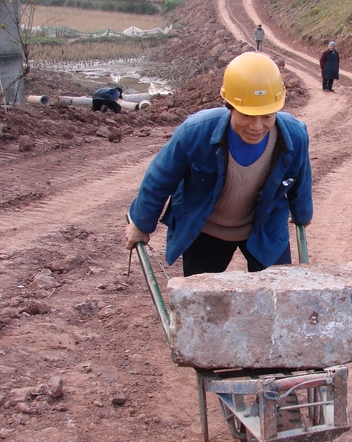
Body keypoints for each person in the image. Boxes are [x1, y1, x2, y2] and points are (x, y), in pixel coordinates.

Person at [124, 52, 313, 277]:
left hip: (264, 226)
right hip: (207, 229)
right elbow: (160, 178)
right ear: (230, 106)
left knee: (278, 290)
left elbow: (301, 179)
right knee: (202, 294)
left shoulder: (294, 135)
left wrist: (303, 215)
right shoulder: (196, 132)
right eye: (246, 115)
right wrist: (141, 224)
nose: (257, 126)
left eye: (267, 116)